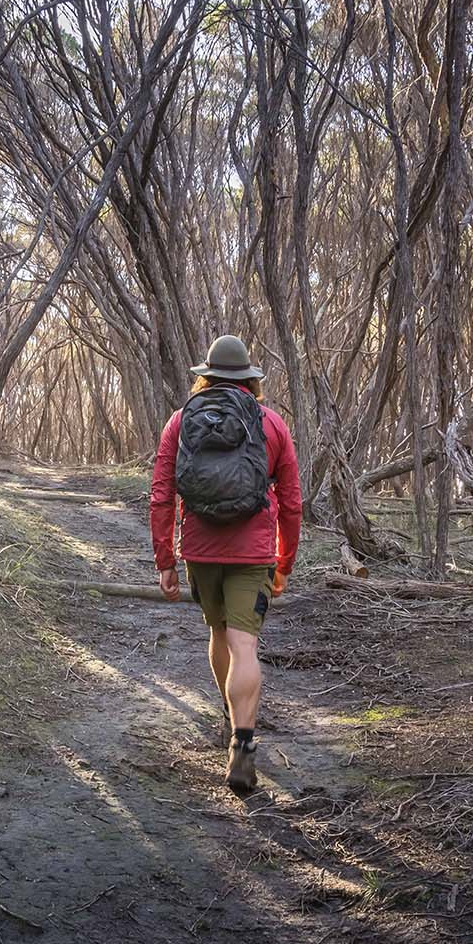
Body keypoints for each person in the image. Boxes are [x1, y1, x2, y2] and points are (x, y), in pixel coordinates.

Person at [149, 335, 301, 794]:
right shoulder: (272, 423)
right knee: (245, 646)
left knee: (218, 635)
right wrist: (285, 562)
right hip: (253, 553)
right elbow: (292, 503)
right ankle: (244, 739)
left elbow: (161, 495)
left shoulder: (180, 422)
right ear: (250, 380)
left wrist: (165, 559)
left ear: (206, 376)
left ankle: (233, 716)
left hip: (199, 550)